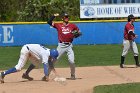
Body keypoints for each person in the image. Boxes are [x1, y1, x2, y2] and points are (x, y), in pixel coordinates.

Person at [47, 13, 82, 80]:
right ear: (62, 18)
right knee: (53, 60)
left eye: (67, 17)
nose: (67, 18)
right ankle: (47, 74)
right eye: (65, 17)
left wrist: (78, 34)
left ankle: (73, 75)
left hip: (69, 46)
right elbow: (49, 22)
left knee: (72, 61)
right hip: (61, 46)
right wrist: (53, 16)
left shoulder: (72, 25)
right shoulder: (58, 25)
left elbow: (79, 32)